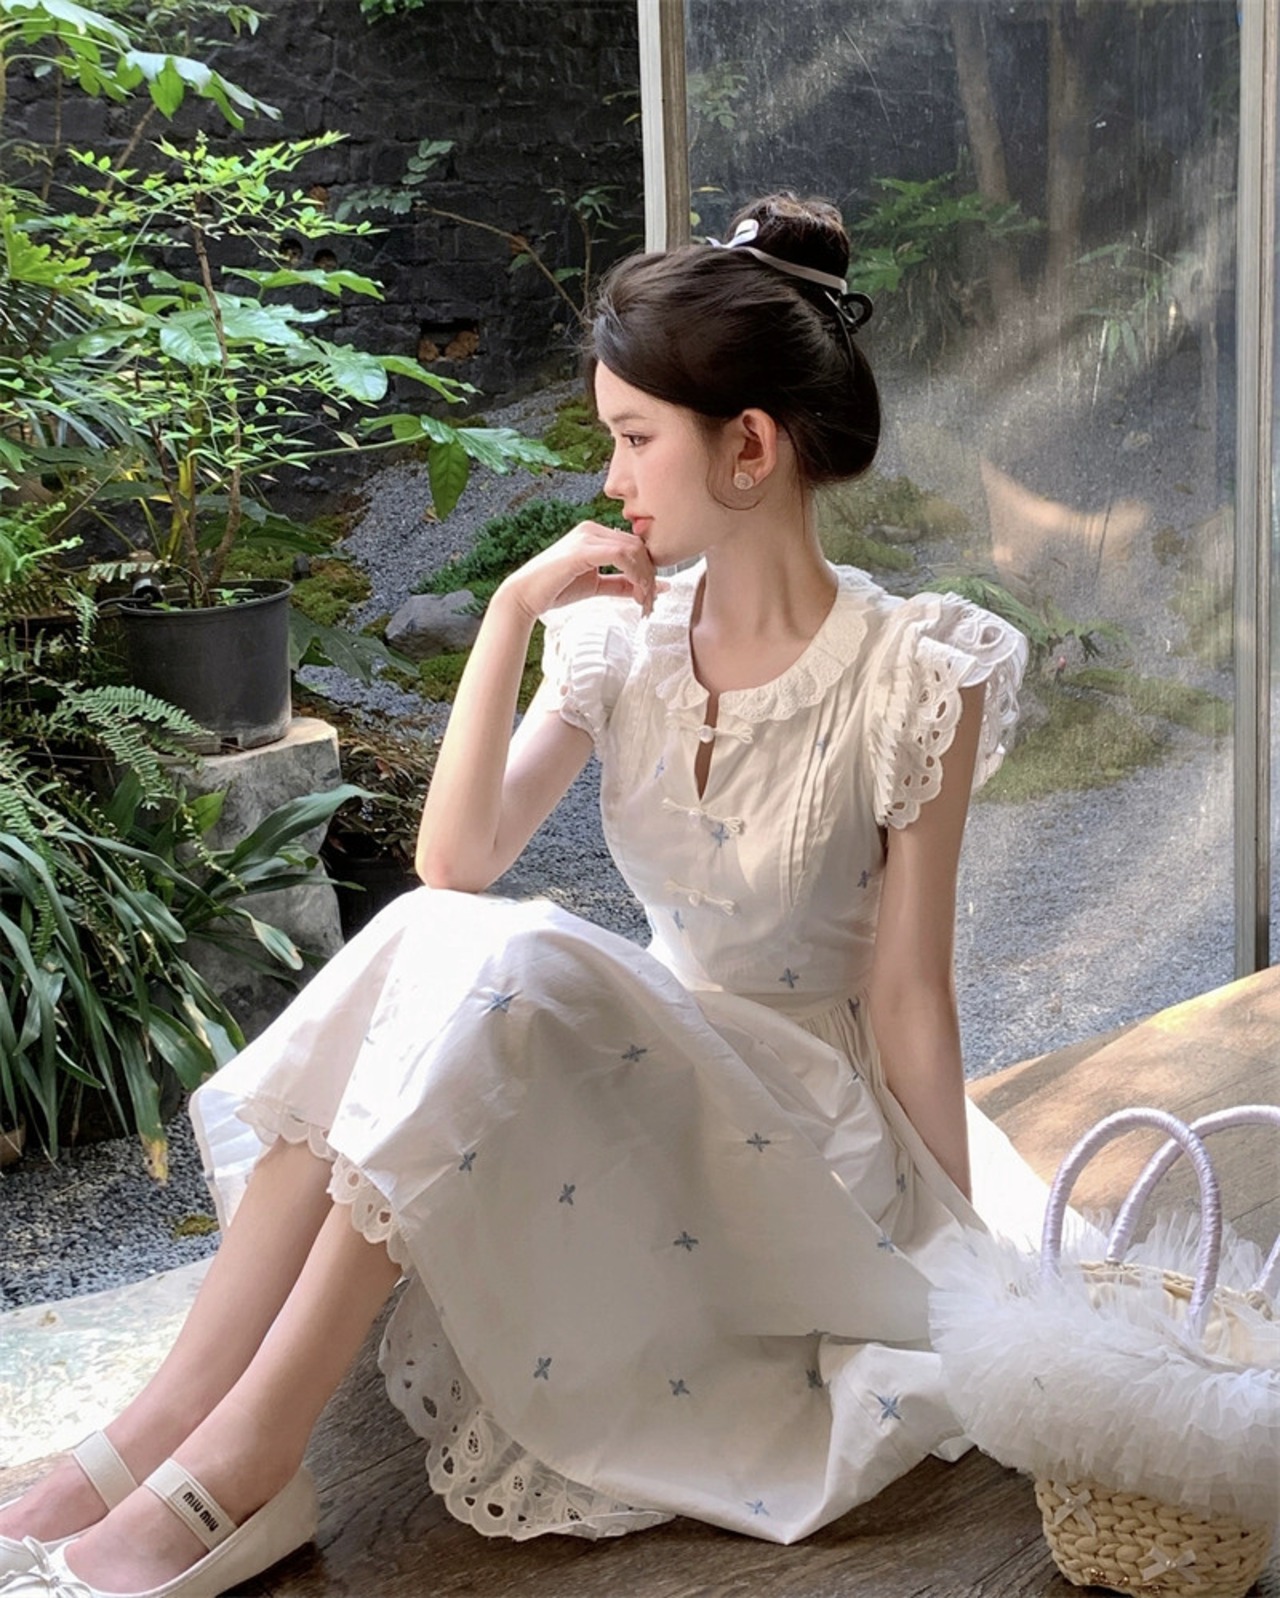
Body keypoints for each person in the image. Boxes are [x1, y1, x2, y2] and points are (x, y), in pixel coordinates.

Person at [0, 192, 1043, 1598]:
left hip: (804, 1131)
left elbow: (912, 993)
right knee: (453, 938)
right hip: (663, 1073)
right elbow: (452, 866)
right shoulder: (623, 642)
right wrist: (509, 615)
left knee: (521, 963)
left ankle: (243, 1460)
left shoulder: (919, 670)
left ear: (748, 446)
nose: (611, 480)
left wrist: (957, 1254)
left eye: (634, 439)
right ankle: (170, 1427)